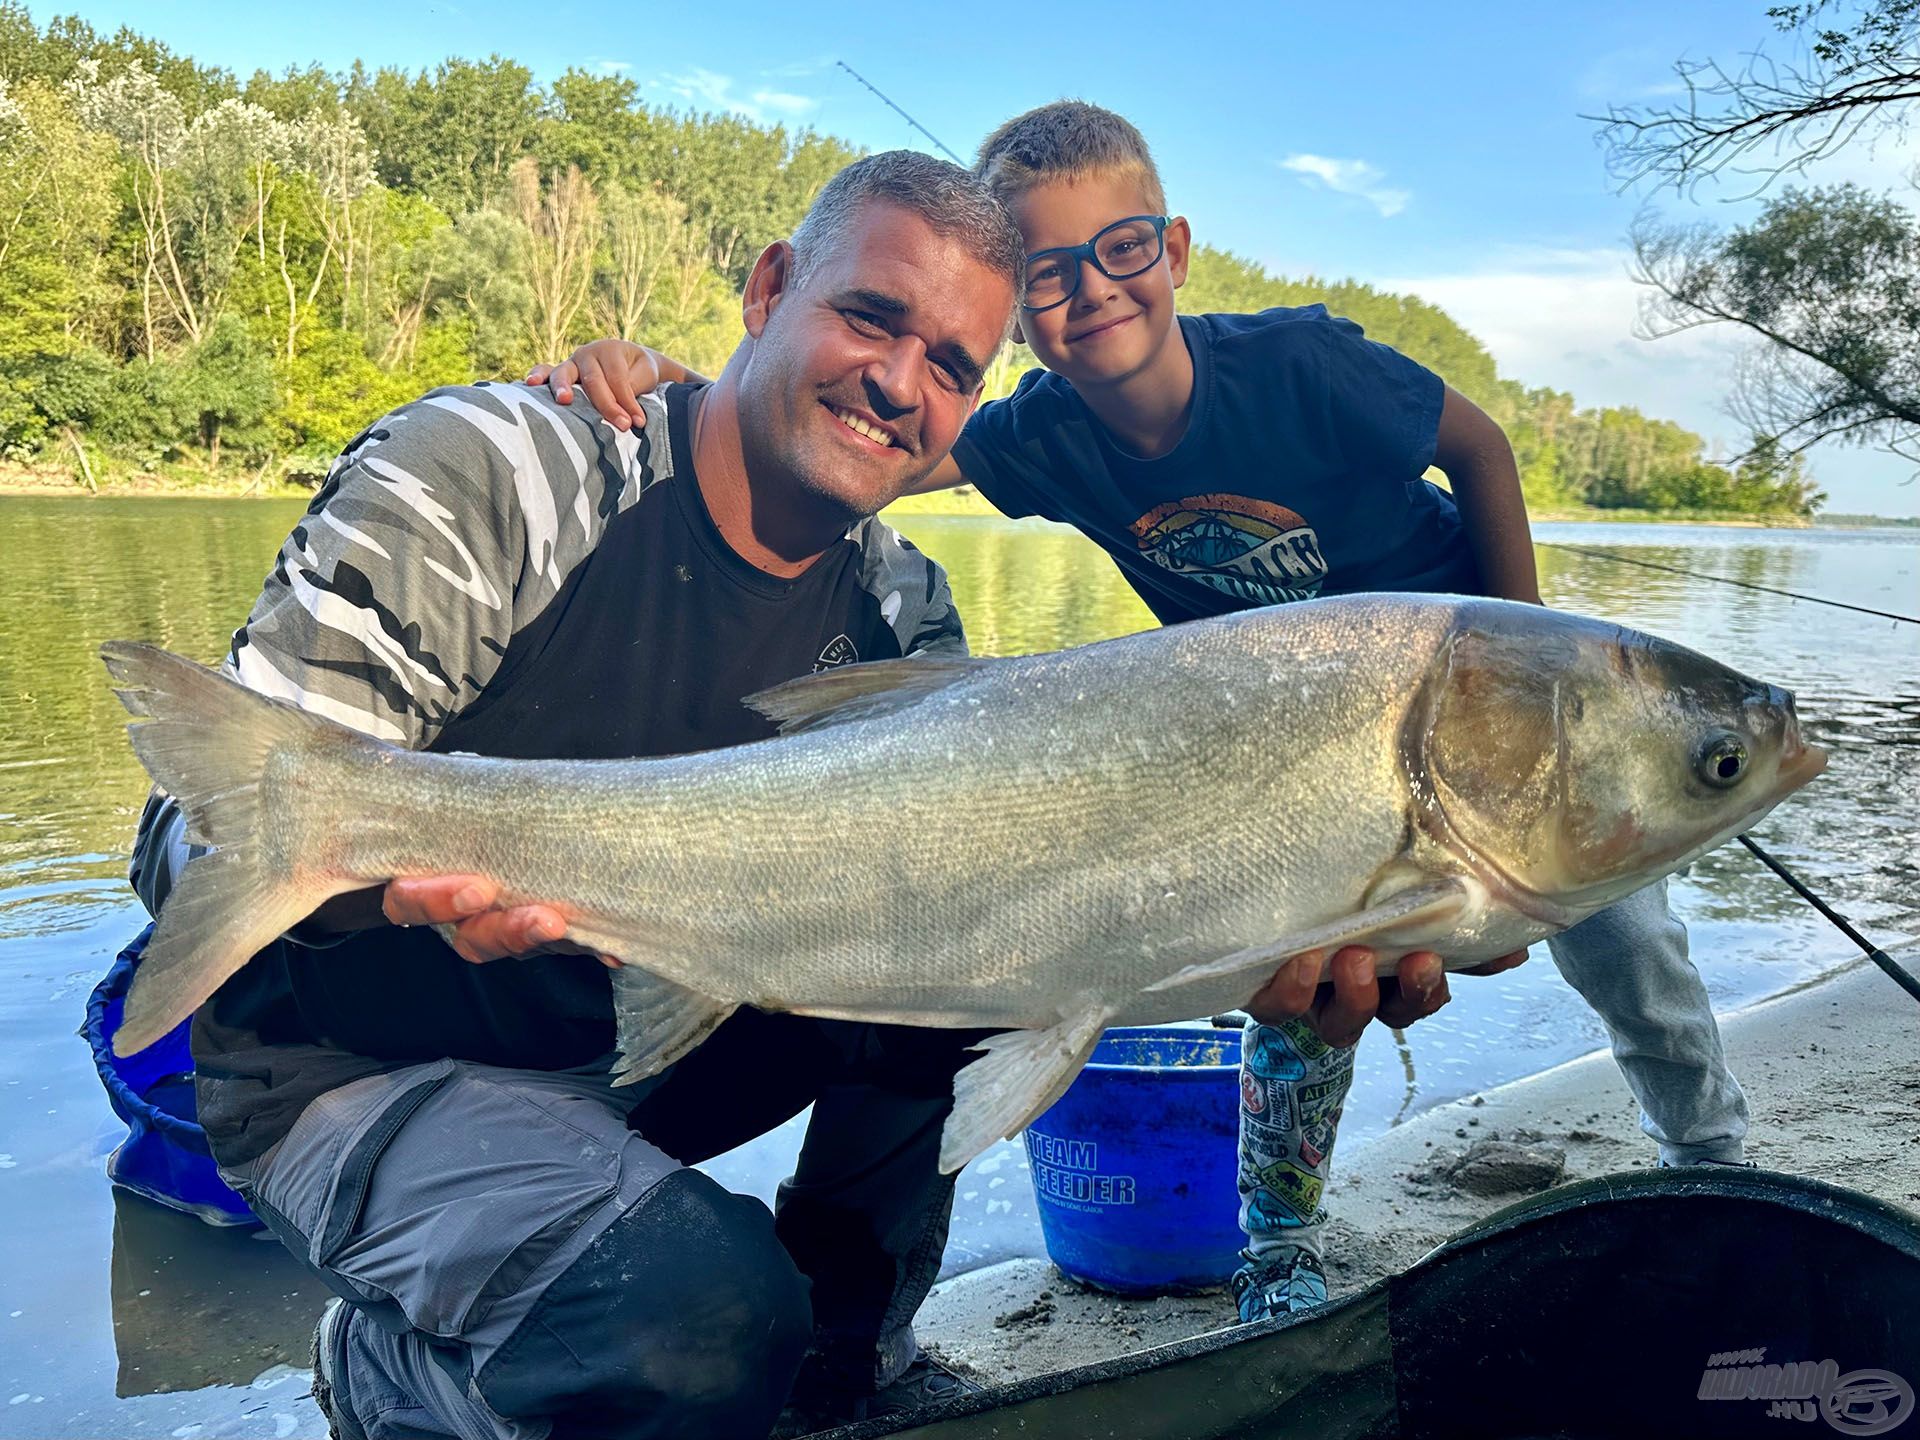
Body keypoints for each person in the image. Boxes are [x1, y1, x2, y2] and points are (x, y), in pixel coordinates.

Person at [125, 150, 1470, 1440]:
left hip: (639, 1041)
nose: (899, 381)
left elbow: (1023, 924)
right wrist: (387, 889)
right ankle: (389, 1373)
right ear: (768, 293)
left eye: (951, 366)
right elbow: (198, 846)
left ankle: (852, 1356)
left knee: (997, 960)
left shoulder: (905, 615)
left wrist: (1234, 935)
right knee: (695, 1329)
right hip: (354, 1062)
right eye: (870, 318)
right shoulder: (505, 471)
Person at [531, 101, 1753, 1331]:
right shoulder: (1040, 435)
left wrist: (1525, 648)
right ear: (1017, 315)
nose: (1091, 292)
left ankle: (1712, 1160)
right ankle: (1278, 1238)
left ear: (1170, 252)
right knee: (1299, 992)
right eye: (1047, 274)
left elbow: (1479, 445)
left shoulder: (1299, 365)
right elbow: (881, 427)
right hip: (1278, 764)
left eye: (1119, 251)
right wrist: (682, 385)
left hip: (1472, 716)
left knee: (1630, 948)